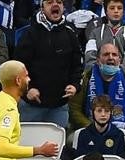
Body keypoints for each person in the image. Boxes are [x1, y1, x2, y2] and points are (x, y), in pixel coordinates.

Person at [14, 0, 83, 128]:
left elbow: (77, 65)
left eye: (59, 2)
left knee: (57, 146)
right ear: (42, 8)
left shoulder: (70, 33)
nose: (55, 5)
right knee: (28, 145)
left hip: (59, 106)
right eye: (50, 2)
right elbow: (18, 67)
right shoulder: (30, 34)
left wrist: (74, 85)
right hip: (31, 105)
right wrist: (27, 89)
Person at [69, 43, 125, 132]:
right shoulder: (86, 79)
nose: (110, 58)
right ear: (97, 60)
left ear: (119, 60)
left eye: (114, 55)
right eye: (106, 54)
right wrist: (91, 126)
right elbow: (75, 109)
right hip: (89, 130)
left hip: (122, 130)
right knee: (71, 140)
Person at [84, 0, 125, 71]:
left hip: (122, 75)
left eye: (119, 8)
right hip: (98, 73)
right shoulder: (95, 33)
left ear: (123, 12)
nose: (116, 11)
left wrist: (118, 71)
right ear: (106, 11)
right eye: (112, 8)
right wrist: (100, 71)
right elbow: (90, 56)